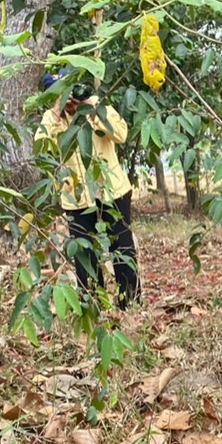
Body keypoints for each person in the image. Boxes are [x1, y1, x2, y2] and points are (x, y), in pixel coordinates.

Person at [35, 72, 141, 309]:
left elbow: (121, 134)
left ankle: (131, 304)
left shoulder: (96, 106)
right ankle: (94, 306)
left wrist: (91, 108)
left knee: (122, 246)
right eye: (61, 94)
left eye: (70, 91)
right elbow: (41, 149)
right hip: (77, 197)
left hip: (113, 190)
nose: (69, 100)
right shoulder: (52, 119)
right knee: (84, 255)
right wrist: (55, 111)